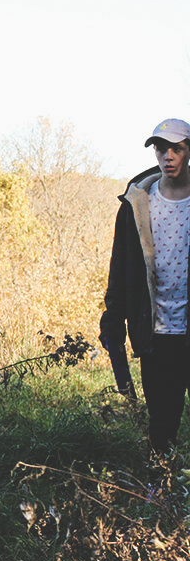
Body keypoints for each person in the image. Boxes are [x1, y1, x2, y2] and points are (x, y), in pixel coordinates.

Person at [100, 118, 190, 457]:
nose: (167, 156)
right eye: (160, 149)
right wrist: (113, 319)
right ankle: (161, 483)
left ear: (188, 151)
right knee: (161, 425)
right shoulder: (137, 203)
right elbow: (121, 267)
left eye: (176, 148)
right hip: (156, 334)